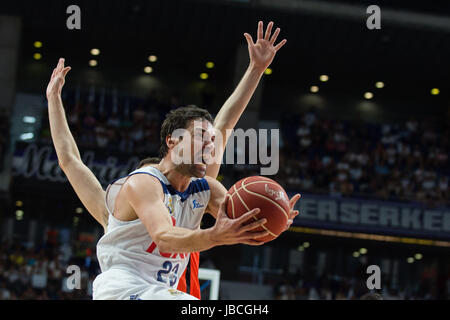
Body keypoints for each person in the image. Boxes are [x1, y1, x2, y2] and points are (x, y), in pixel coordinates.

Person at [46, 21, 299, 300]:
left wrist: (269, 221)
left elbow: (225, 131)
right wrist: (53, 98)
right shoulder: (142, 184)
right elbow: (70, 161)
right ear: (173, 141)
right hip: (125, 290)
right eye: (202, 136)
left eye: (210, 140)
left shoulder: (204, 188)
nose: (210, 144)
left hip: (164, 290)